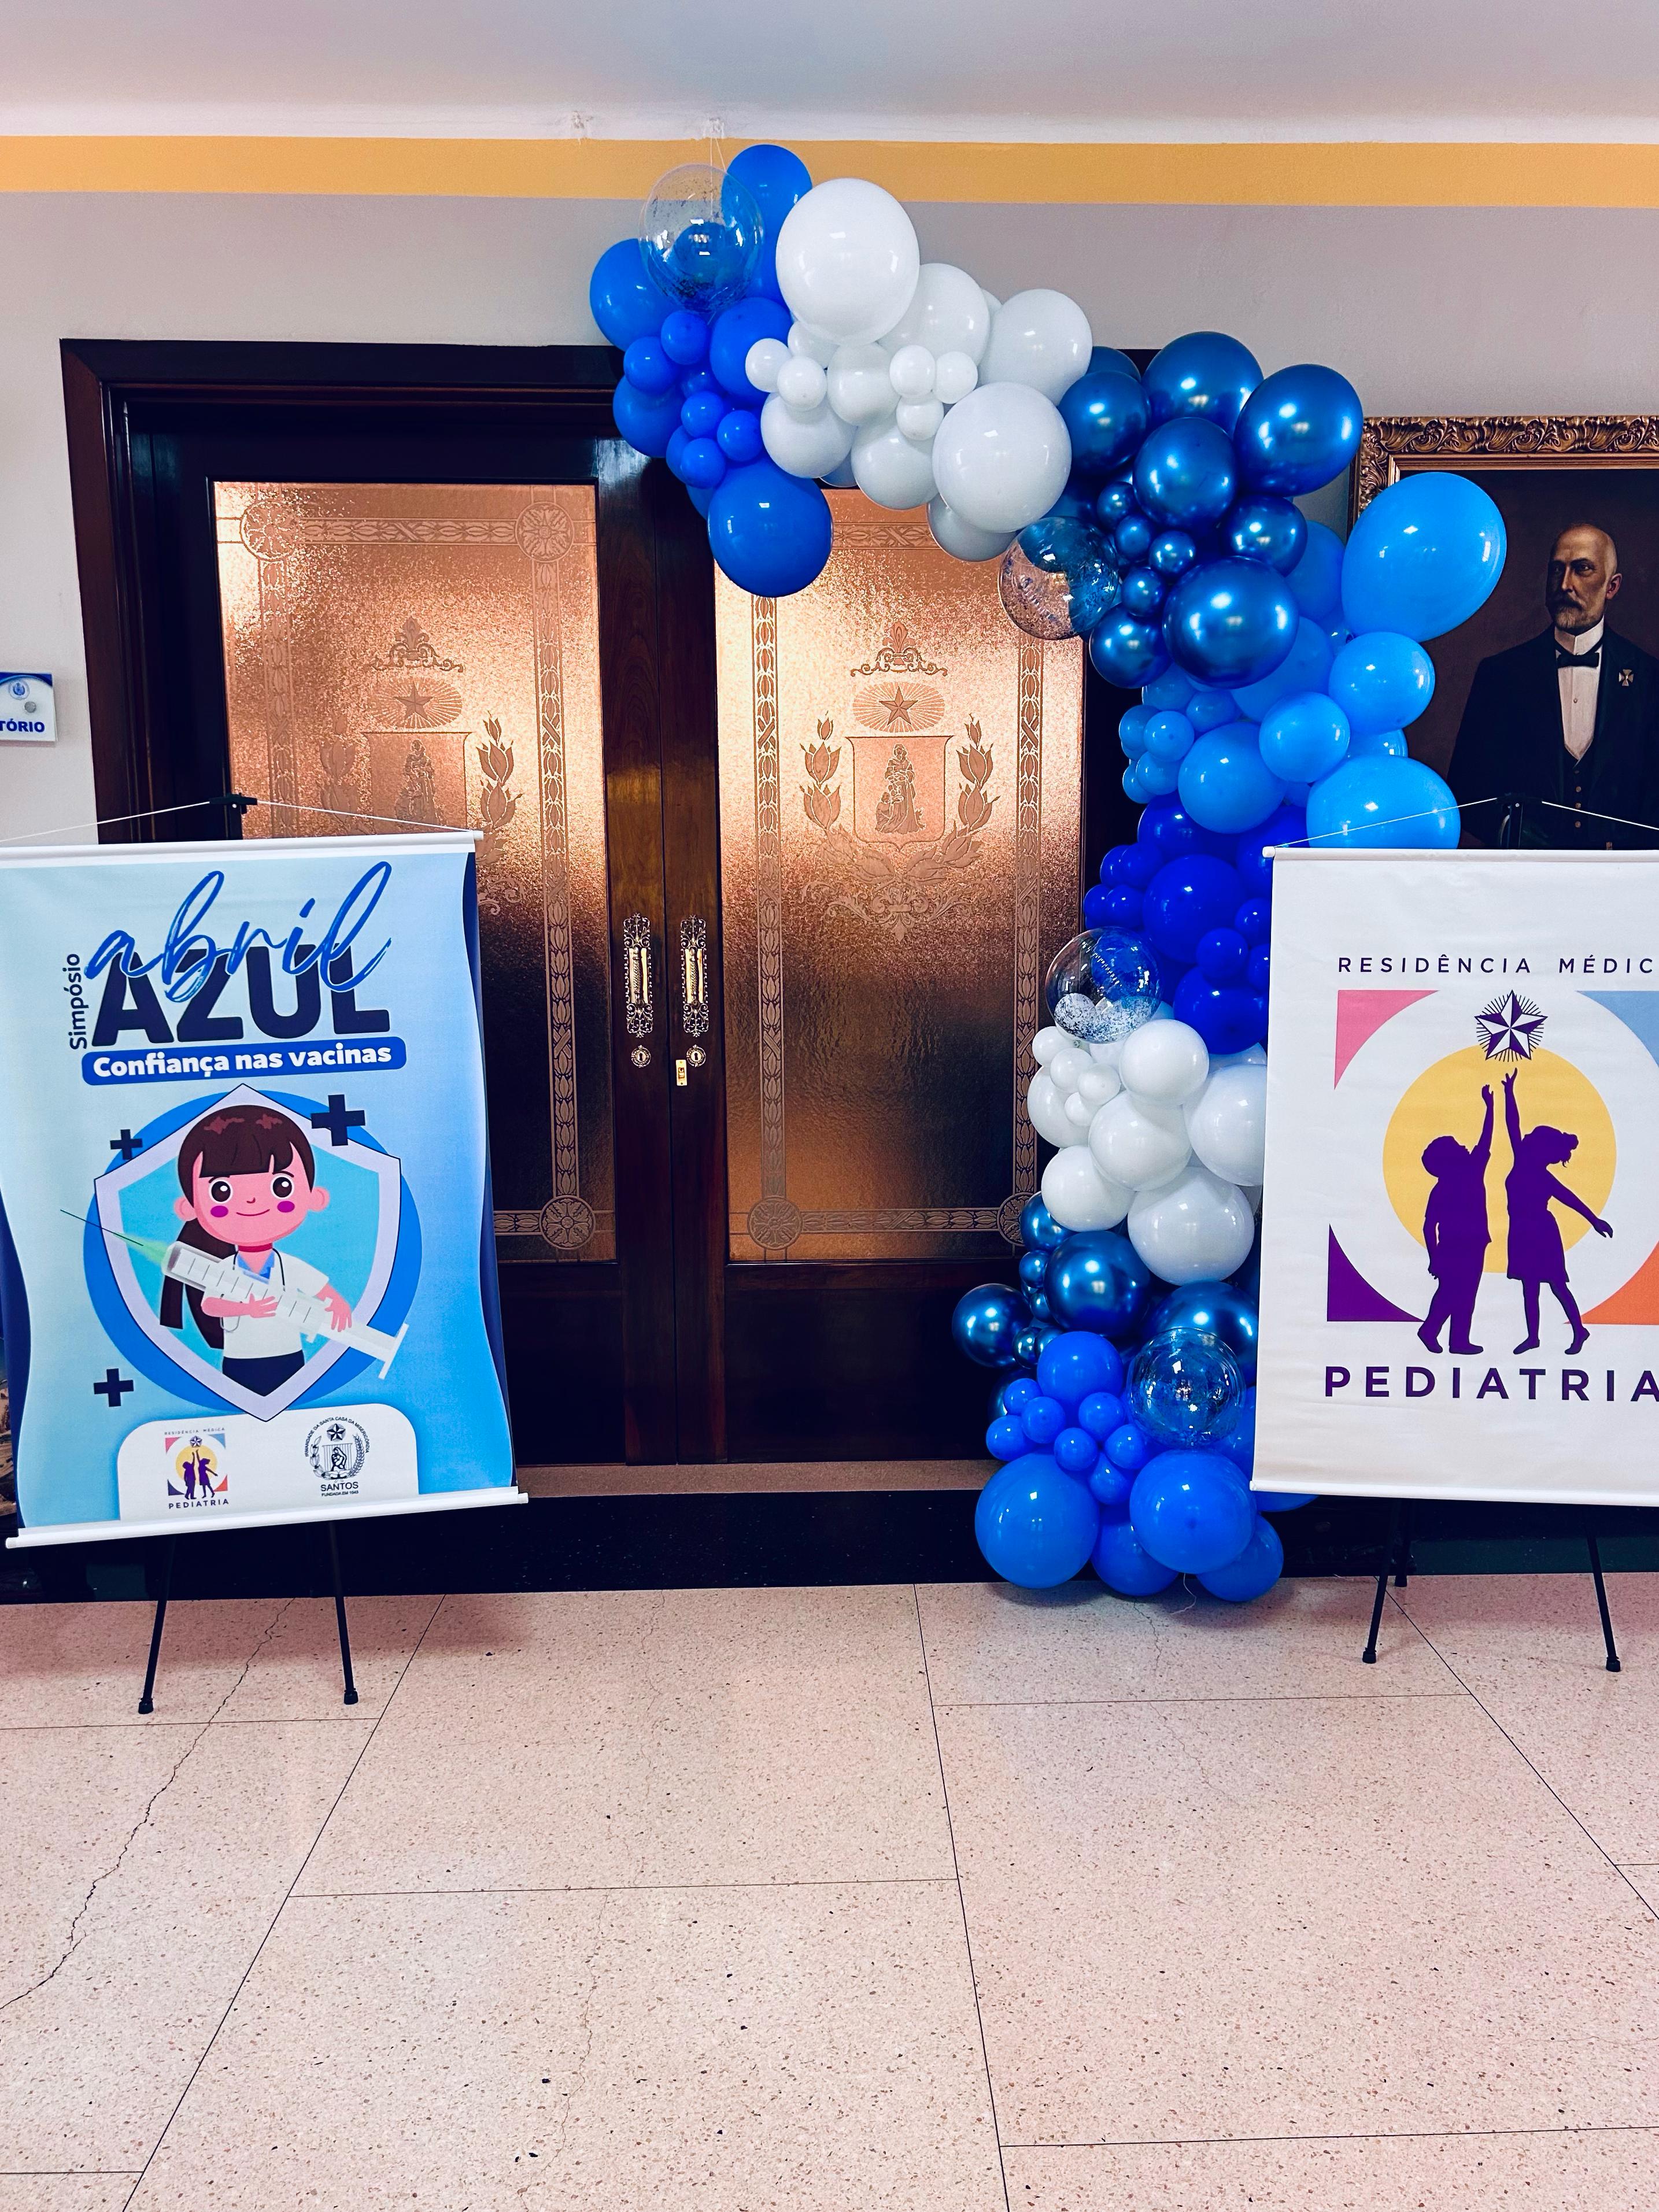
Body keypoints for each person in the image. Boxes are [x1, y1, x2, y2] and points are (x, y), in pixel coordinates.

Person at [1448, 523, 1659, 846]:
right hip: (1526, 873)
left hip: (1625, 874)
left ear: (1612, 586)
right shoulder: (1500, 675)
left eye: (1582, 569)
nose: (1565, 585)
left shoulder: (1650, 678)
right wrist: (1510, 830)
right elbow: (1467, 790)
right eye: (1557, 570)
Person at [162, 1103, 352, 1396]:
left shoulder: (289, 1266)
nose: (251, 1202)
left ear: (314, 1197)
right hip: (240, 1358)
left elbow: (322, 1290)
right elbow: (209, 1306)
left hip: (288, 1354)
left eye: (281, 1186)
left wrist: (339, 1304)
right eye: (221, 1191)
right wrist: (245, 1309)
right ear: (190, 1208)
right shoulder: (223, 1269)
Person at [1501, 1069, 1611, 1356]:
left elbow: (1571, 1200)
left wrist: (1595, 1220)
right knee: (1529, 1287)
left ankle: (1579, 1331)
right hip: (1521, 1232)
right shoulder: (1522, 1161)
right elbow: (1512, 1123)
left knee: (1556, 1285)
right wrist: (1508, 1093)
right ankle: (1533, 1337)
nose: (1525, 1138)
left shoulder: (1540, 1174)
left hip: (1541, 1233)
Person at [1417, 1083, 1494, 1355]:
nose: (1465, 1146)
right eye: (1458, 1146)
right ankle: (1433, 1331)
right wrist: (1490, 1107)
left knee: (1461, 1293)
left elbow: (1429, 1227)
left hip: (1466, 1245)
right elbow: (1429, 1226)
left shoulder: (1451, 1181)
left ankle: (1457, 1340)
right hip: (1460, 1247)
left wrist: (1434, 1257)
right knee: (1455, 1293)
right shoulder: (1469, 1172)